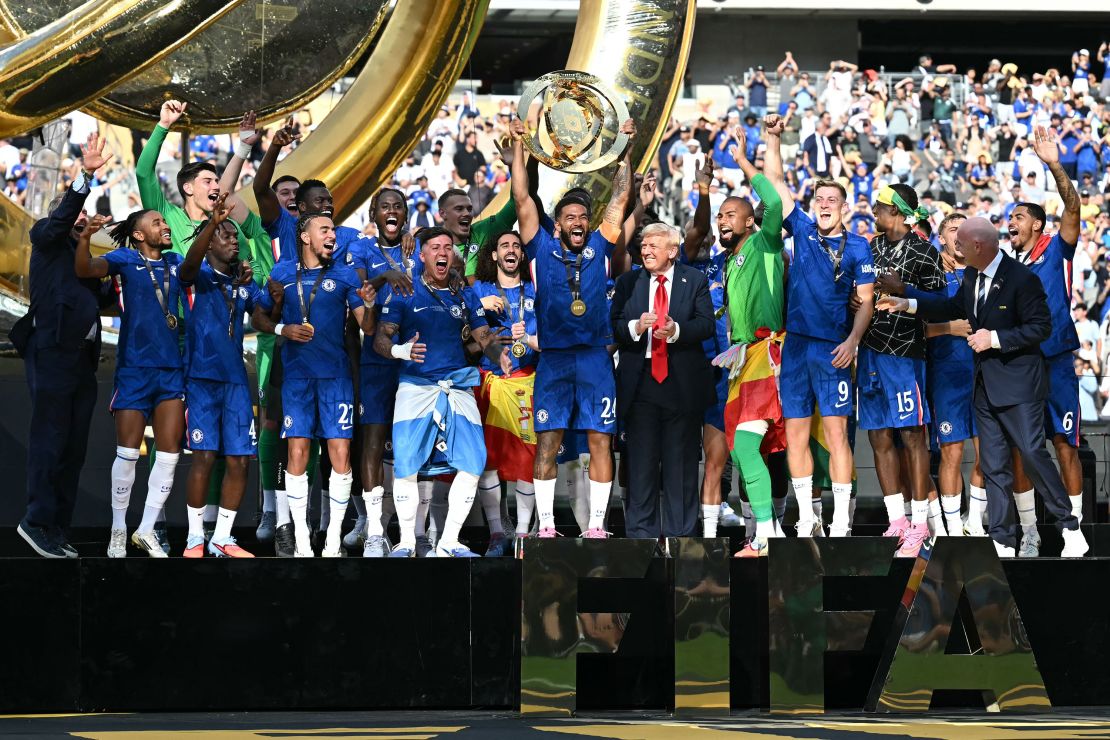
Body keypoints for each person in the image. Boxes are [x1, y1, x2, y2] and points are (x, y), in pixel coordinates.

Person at [877, 217, 1088, 558]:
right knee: (993, 464)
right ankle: (1002, 539)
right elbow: (950, 306)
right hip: (984, 387)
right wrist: (907, 301)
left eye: (960, 242)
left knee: (1033, 454)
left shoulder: (1022, 279)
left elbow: (1041, 328)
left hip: (1020, 386)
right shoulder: (973, 276)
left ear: (977, 246)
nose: (954, 248)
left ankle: (1070, 527)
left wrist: (995, 338)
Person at [508, 116, 634, 539]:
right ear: (558, 224)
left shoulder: (600, 245)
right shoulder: (539, 247)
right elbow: (522, 197)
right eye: (569, 217)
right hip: (555, 360)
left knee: (600, 440)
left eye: (583, 216)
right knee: (548, 441)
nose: (578, 221)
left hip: (596, 359)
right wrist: (520, 145)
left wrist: (626, 148)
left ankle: (596, 526)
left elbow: (621, 196)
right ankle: (546, 527)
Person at [768, 120, 875, 541]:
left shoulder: (859, 246)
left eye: (832, 199)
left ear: (844, 207)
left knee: (836, 434)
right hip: (796, 348)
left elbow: (866, 300)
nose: (825, 204)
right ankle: (807, 517)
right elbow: (776, 182)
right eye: (820, 198)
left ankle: (842, 521)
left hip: (834, 350)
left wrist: (852, 341)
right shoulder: (803, 229)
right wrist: (774, 138)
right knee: (795, 433)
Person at [372, 227, 506, 557]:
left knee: (474, 461)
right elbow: (380, 338)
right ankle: (406, 542)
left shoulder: (464, 295)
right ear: (422, 255)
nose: (442, 252)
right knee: (406, 464)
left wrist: (498, 353)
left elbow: (483, 337)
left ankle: (448, 542)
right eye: (435, 247)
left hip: (457, 384)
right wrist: (400, 351)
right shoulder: (404, 291)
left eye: (447, 247)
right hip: (415, 386)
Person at [13, 133, 113, 558]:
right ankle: (35, 521)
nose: (82, 217)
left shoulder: (85, 257)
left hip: (83, 359)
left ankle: (56, 528)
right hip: (52, 348)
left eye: (85, 214)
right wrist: (84, 178)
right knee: (50, 438)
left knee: (73, 448)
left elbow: (103, 299)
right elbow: (60, 220)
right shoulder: (47, 237)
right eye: (76, 213)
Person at [254, 213, 377, 557]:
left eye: (333, 230)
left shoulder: (345, 274)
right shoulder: (282, 272)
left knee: (340, 454)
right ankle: (303, 542)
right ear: (305, 237)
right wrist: (283, 329)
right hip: (296, 378)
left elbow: (367, 327)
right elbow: (258, 316)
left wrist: (369, 303)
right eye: (324, 230)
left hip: (336, 377)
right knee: (297, 452)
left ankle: (333, 540)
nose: (332, 235)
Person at [74, 208, 187, 558]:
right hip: (134, 368)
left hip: (171, 369)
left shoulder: (176, 262)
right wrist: (84, 237)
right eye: (157, 223)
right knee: (127, 453)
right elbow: (85, 269)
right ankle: (119, 529)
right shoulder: (125, 259)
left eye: (164, 221)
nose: (165, 226)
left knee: (169, 453)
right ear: (138, 235)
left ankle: (147, 529)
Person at [707, 121, 790, 557]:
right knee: (741, 454)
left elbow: (773, 201)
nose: (722, 220)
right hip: (742, 360)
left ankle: (767, 533)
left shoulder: (765, 244)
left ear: (748, 220)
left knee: (745, 446)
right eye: (719, 215)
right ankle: (768, 530)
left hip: (767, 354)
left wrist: (741, 160)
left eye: (730, 214)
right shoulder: (730, 260)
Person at [1005, 125, 1085, 556]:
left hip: (1056, 361)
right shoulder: (1006, 267)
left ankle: (1074, 531)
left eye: (1018, 217)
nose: (1011, 222)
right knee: (1023, 448)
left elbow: (1072, 206)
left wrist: (1054, 164)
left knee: (1065, 443)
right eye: (1009, 218)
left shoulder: (1057, 248)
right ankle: (1030, 532)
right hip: (1021, 365)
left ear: (1036, 223)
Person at [882, 213, 986, 537]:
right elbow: (910, 328)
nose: (959, 235)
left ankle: (974, 523)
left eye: (965, 230)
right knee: (950, 452)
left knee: (987, 453)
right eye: (953, 229)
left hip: (983, 374)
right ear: (942, 238)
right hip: (944, 375)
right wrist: (949, 328)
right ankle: (949, 530)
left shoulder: (982, 273)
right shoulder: (931, 271)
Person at [177, 196, 268, 557]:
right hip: (201, 380)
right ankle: (194, 537)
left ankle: (222, 538)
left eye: (235, 236)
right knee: (203, 457)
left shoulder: (242, 282)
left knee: (240, 459)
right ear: (210, 241)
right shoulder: (196, 276)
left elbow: (264, 311)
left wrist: (274, 296)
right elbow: (187, 268)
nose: (233, 240)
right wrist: (213, 223)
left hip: (236, 384)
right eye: (225, 235)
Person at [612, 222, 714, 540]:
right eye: (643, 246)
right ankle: (641, 538)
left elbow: (706, 324)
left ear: (672, 251)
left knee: (680, 465)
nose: (645, 251)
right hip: (640, 384)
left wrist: (676, 331)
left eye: (653, 246)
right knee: (641, 465)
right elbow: (614, 326)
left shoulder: (694, 280)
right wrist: (635, 327)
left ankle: (680, 538)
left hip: (681, 384)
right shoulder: (628, 282)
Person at [866, 185, 946, 558]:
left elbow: (943, 305)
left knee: (913, 436)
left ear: (897, 211)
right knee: (879, 436)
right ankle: (896, 520)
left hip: (905, 355)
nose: (874, 211)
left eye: (880, 206)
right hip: (870, 352)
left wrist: (906, 290)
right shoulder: (871, 247)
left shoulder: (925, 251)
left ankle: (919, 524)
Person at [352, 188, 419, 557]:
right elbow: (361, 290)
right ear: (373, 215)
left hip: (416, 357)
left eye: (398, 207)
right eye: (384, 207)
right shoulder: (361, 248)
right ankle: (375, 532)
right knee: (374, 440)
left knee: (415, 443)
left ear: (405, 214)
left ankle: (416, 532)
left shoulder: (417, 247)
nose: (391, 212)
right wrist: (385, 276)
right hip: (377, 357)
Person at [471, 230, 540, 553]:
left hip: (527, 382)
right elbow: (461, 331)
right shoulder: (479, 290)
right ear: (494, 255)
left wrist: (529, 339)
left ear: (522, 255)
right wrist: (478, 306)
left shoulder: (536, 290)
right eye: (504, 246)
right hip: (491, 383)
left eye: (516, 245)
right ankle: (497, 532)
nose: (511, 250)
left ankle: (523, 534)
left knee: (526, 459)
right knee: (489, 460)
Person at [680, 158, 736, 538]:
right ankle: (683, 519)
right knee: (685, 455)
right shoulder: (682, 267)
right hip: (686, 372)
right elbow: (699, 226)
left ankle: (714, 523)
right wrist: (704, 192)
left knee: (719, 454)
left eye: (706, 237)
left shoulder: (724, 265)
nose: (701, 239)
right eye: (694, 235)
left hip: (722, 372)